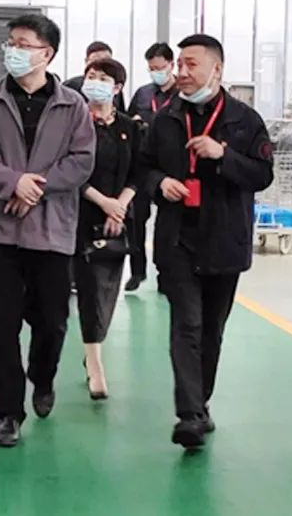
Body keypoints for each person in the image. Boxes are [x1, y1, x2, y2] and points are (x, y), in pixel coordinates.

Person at [0, 13, 95, 448]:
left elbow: (82, 160)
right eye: (10, 43)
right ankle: (8, 412)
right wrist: (11, 182)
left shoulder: (73, 105)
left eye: (23, 44)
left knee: (52, 322)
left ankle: (43, 376)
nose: (13, 51)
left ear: (46, 53)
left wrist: (35, 188)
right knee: (1, 327)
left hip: (52, 230)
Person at [141, 34, 274, 449]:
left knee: (212, 329)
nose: (181, 72)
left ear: (217, 69)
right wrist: (160, 183)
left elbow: (262, 175)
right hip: (178, 238)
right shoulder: (165, 118)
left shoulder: (244, 121)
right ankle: (189, 414)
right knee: (187, 324)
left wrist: (223, 156)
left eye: (191, 64)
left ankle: (201, 402)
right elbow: (143, 167)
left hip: (225, 239)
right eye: (179, 64)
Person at [74, 57, 140, 400]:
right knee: (88, 288)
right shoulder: (74, 123)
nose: (94, 82)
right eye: (91, 76)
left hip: (118, 220)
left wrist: (120, 206)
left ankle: (92, 348)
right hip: (80, 215)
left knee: (107, 289)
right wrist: (104, 203)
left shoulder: (129, 127)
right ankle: (95, 362)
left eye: (103, 78)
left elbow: (138, 172)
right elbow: (71, 171)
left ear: (117, 88)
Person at [124, 42, 177, 292]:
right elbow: (126, 122)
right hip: (144, 165)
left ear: (171, 65)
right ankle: (137, 271)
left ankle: (165, 273)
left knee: (167, 225)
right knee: (136, 220)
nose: (156, 73)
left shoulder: (182, 95)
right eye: (151, 69)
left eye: (159, 68)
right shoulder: (143, 94)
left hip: (169, 168)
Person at [65, 41, 127, 112]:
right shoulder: (70, 86)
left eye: (106, 60)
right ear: (87, 61)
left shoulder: (113, 87)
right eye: (96, 60)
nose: (101, 64)